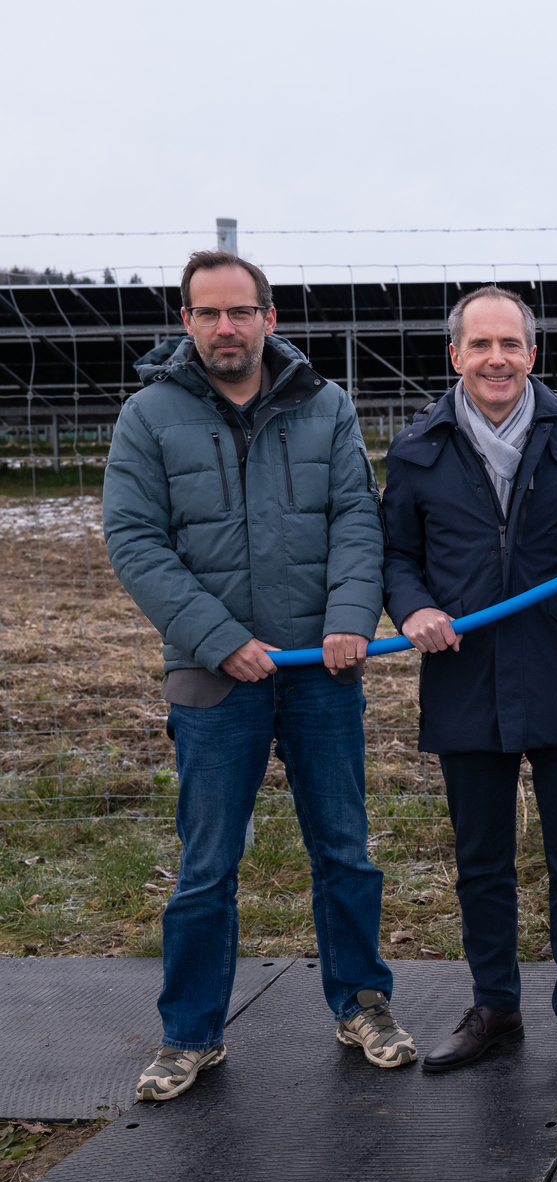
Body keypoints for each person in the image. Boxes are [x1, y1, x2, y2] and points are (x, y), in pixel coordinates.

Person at [103, 250, 413, 1100]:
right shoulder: (148, 416)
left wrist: (351, 620)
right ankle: (191, 1033)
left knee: (344, 849)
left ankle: (361, 1002)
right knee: (206, 862)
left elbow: (357, 516)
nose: (225, 328)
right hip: (214, 678)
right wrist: (217, 638)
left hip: (319, 672)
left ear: (270, 318)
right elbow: (135, 541)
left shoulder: (326, 406)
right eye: (208, 314)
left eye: (241, 312)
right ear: (187, 322)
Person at [382, 286, 557, 1083]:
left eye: (510, 345)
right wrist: (413, 606)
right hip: (464, 676)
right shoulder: (418, 450)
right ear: (454, 356)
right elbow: (396, 556)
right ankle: (495, 1006)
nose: (496, 359)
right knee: (481, 859)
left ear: (532, 354)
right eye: (479, 345)